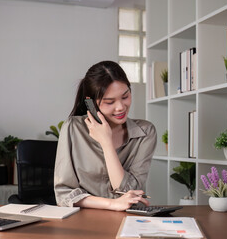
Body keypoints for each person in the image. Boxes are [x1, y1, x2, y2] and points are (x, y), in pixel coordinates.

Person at [54, 61, 157, 211]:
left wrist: (106, 142)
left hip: (130, 220)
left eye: (125, 96)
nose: (120, 107)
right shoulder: (73, 128)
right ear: (90, 103)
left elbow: (129, 191)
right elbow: (64, 195)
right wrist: (113, 204)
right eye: (109, 102)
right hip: (85, 221)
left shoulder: (145, 132)